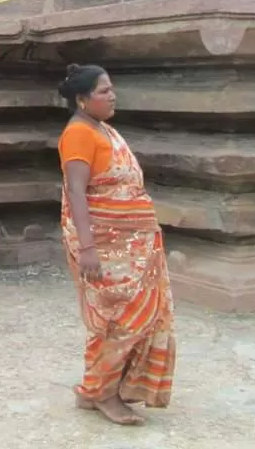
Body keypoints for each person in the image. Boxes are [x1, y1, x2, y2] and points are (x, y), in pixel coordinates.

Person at [57, 64, 174, 427]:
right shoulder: (78, 134)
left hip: (134, 245)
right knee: (113, 319)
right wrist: (89, 248)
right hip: (105, 245)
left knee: (139, 315)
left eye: (111, 89)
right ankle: (104, 394)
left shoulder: (102, 129)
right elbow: (77, 191)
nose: (112, 95)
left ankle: (103, 388)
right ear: (82, 99)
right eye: (104, 91)